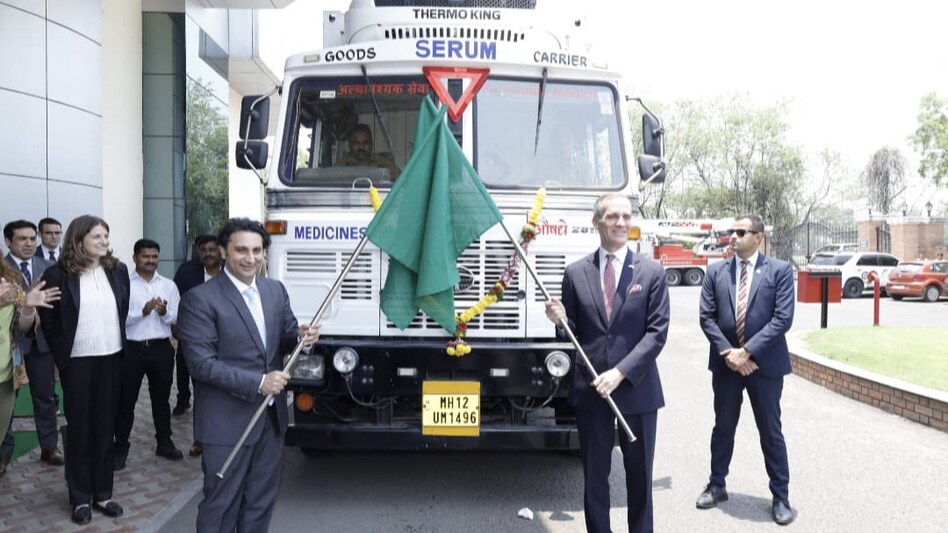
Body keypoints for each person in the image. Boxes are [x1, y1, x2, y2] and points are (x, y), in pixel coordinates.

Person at [177, 218, 320, 532]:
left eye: (257, 250)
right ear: (224, 251)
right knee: (221, 504)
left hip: (270, 422)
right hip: (226, 425)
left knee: (260, 503)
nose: (250, 257)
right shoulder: (199, 299)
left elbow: (285, 337)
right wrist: (260, 382)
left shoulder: (274, 290)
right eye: (241, 250)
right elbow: (201, 365)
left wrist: (302, 338)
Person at [544, 193, 670, 533]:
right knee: (595, 476)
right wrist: (559, 321)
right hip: (592, 392)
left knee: (639, 477)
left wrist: (620, 372)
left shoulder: (652, 272)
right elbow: (569, 337)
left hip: (637, 391)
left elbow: (656, 334)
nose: (621, 223)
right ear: (596, 222)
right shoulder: (575, 273)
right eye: (613, 216)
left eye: (626, 217)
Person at [696, 214, 796, 525]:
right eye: (732, 231)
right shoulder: (716, 272)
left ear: (758, 237)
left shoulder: (779, 271)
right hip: (727, 367)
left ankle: (780, 496)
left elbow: (782, 319)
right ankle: (717, 484)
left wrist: (747, 352)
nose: (734, 236)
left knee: (770, 431)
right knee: (723, 426)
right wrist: (731, 354)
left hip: (764, 367)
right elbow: (707, 318)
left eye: (741, 231)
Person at [37, 215, 130, 525]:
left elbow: (122, 310)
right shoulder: (57, 275)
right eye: (97, 237)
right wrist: (62, 358)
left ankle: (103, 494)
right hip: (77, 362)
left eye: (106, 235)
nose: (104, 241)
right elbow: (49, 322)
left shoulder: (117, 271)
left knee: (106, 428)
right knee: (80, 431)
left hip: (112, 358)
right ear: (78, 241)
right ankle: (79, 498)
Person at [112, 239, 183, 471]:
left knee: (161, 399)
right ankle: (120, 446)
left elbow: (175, 319)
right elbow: (118, 319)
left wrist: (163, 313)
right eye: (146, 256)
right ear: (135, 258)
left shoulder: (169, 286)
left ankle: (164, 442)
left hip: (161, 348)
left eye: (154, 256)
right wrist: (143, 311)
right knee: (126, 400)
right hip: (132, 349)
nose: (151, 261)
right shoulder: (124, 284)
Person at [1, 220, 65, 470]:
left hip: (41, 343)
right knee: (7, 401)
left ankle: (49, 447)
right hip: (10, 346)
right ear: (9, 241)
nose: (29, 244)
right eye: (21, 239)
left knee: (45, 396)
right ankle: (3, 453)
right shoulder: (2, 269)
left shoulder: (49, 267)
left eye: (31, 238)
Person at [172, 234, 222, 458]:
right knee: (201, 391)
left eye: (213, 249)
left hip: (225, 342)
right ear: (198, 252)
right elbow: (177, 301)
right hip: (194, 340)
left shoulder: (231, 272)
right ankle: (200, 439)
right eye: (204, 250)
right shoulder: (187, 272)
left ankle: (223, 435)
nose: (208, 254)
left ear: (220, 251)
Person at [335, 123, 401, 180]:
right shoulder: (339, 167)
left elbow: (405, 184)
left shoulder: (387, 165)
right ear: (349, 144)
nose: (361, 147)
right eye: (356, 143)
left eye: (365, 143)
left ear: (371, 143)